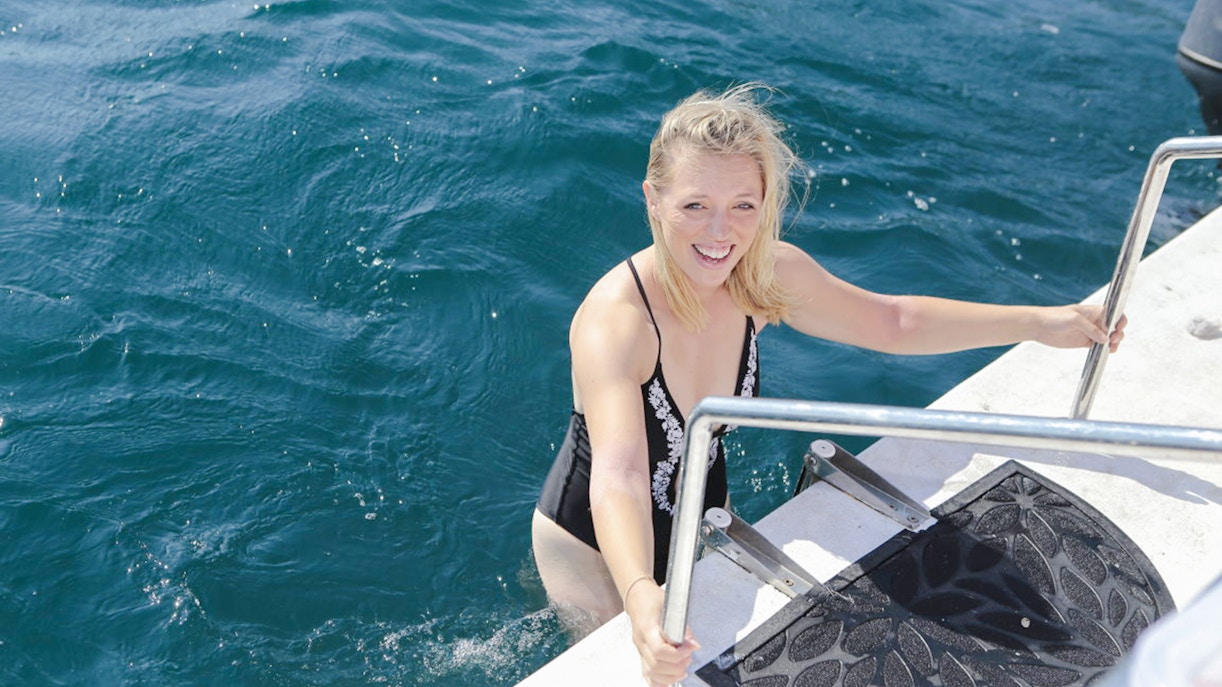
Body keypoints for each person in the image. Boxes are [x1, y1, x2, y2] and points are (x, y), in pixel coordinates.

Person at [531, 83, 1126, 687]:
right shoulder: (617, 321)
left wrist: (1042, 323)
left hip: (701, 512)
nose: (720, 233)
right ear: (653, 200)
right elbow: (621, 475)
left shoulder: (759, 275)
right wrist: (637, 596)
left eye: (743, 205)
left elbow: (893, 322)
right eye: (693, 206)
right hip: (596, 549)